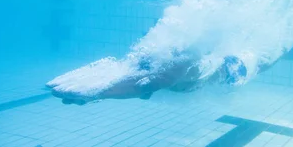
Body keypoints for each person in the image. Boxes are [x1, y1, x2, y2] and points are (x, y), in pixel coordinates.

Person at [47, 52, 260, 105]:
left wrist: (101, 91)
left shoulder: (188, 64)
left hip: (229, 70)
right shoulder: (168, 56)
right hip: (222, 70)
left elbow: (154, 81)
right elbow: (149, 81)